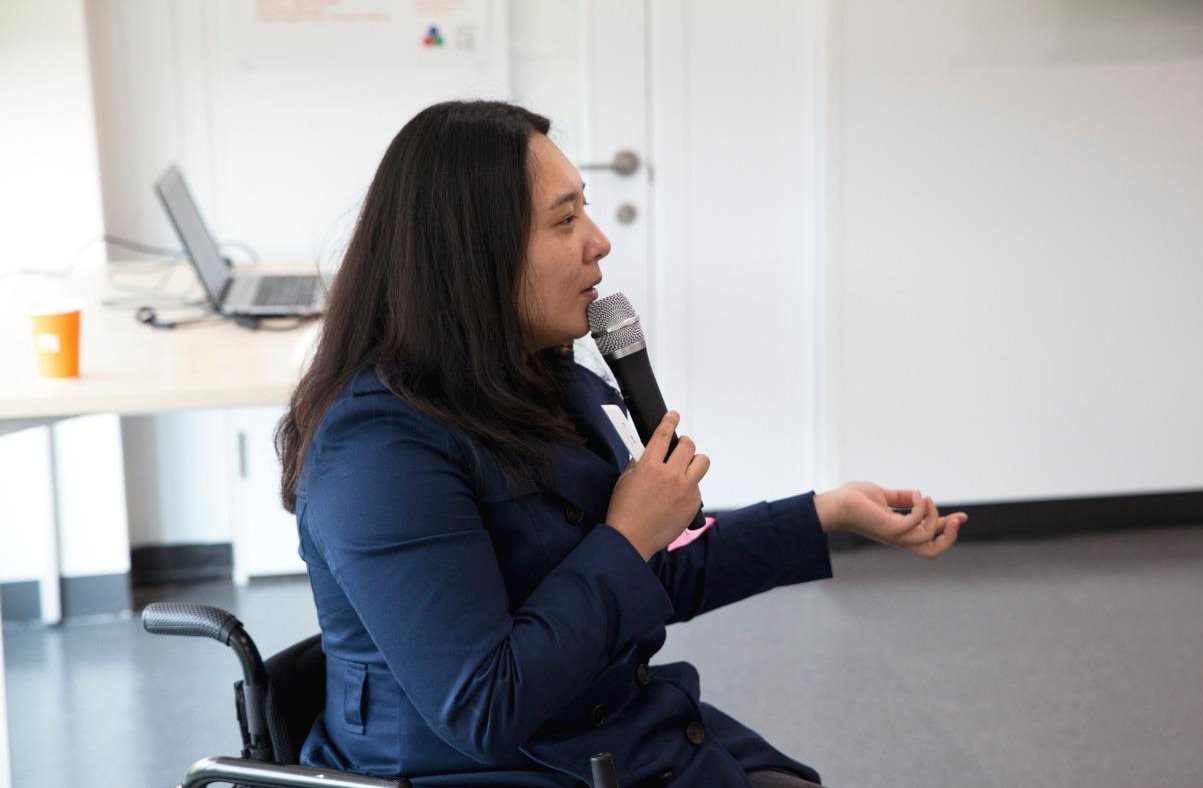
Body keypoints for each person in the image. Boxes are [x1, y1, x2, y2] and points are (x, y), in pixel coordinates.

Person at [276, 100, 966, 788]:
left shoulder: (536, 383)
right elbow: (483, 707)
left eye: (587, 210)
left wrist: (826, 512)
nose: (599, 242)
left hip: (608, 734)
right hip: (487, 771)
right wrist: (628, 535)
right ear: (473, 254)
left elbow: (648, 570)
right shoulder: (377, 454)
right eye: (564, 220)